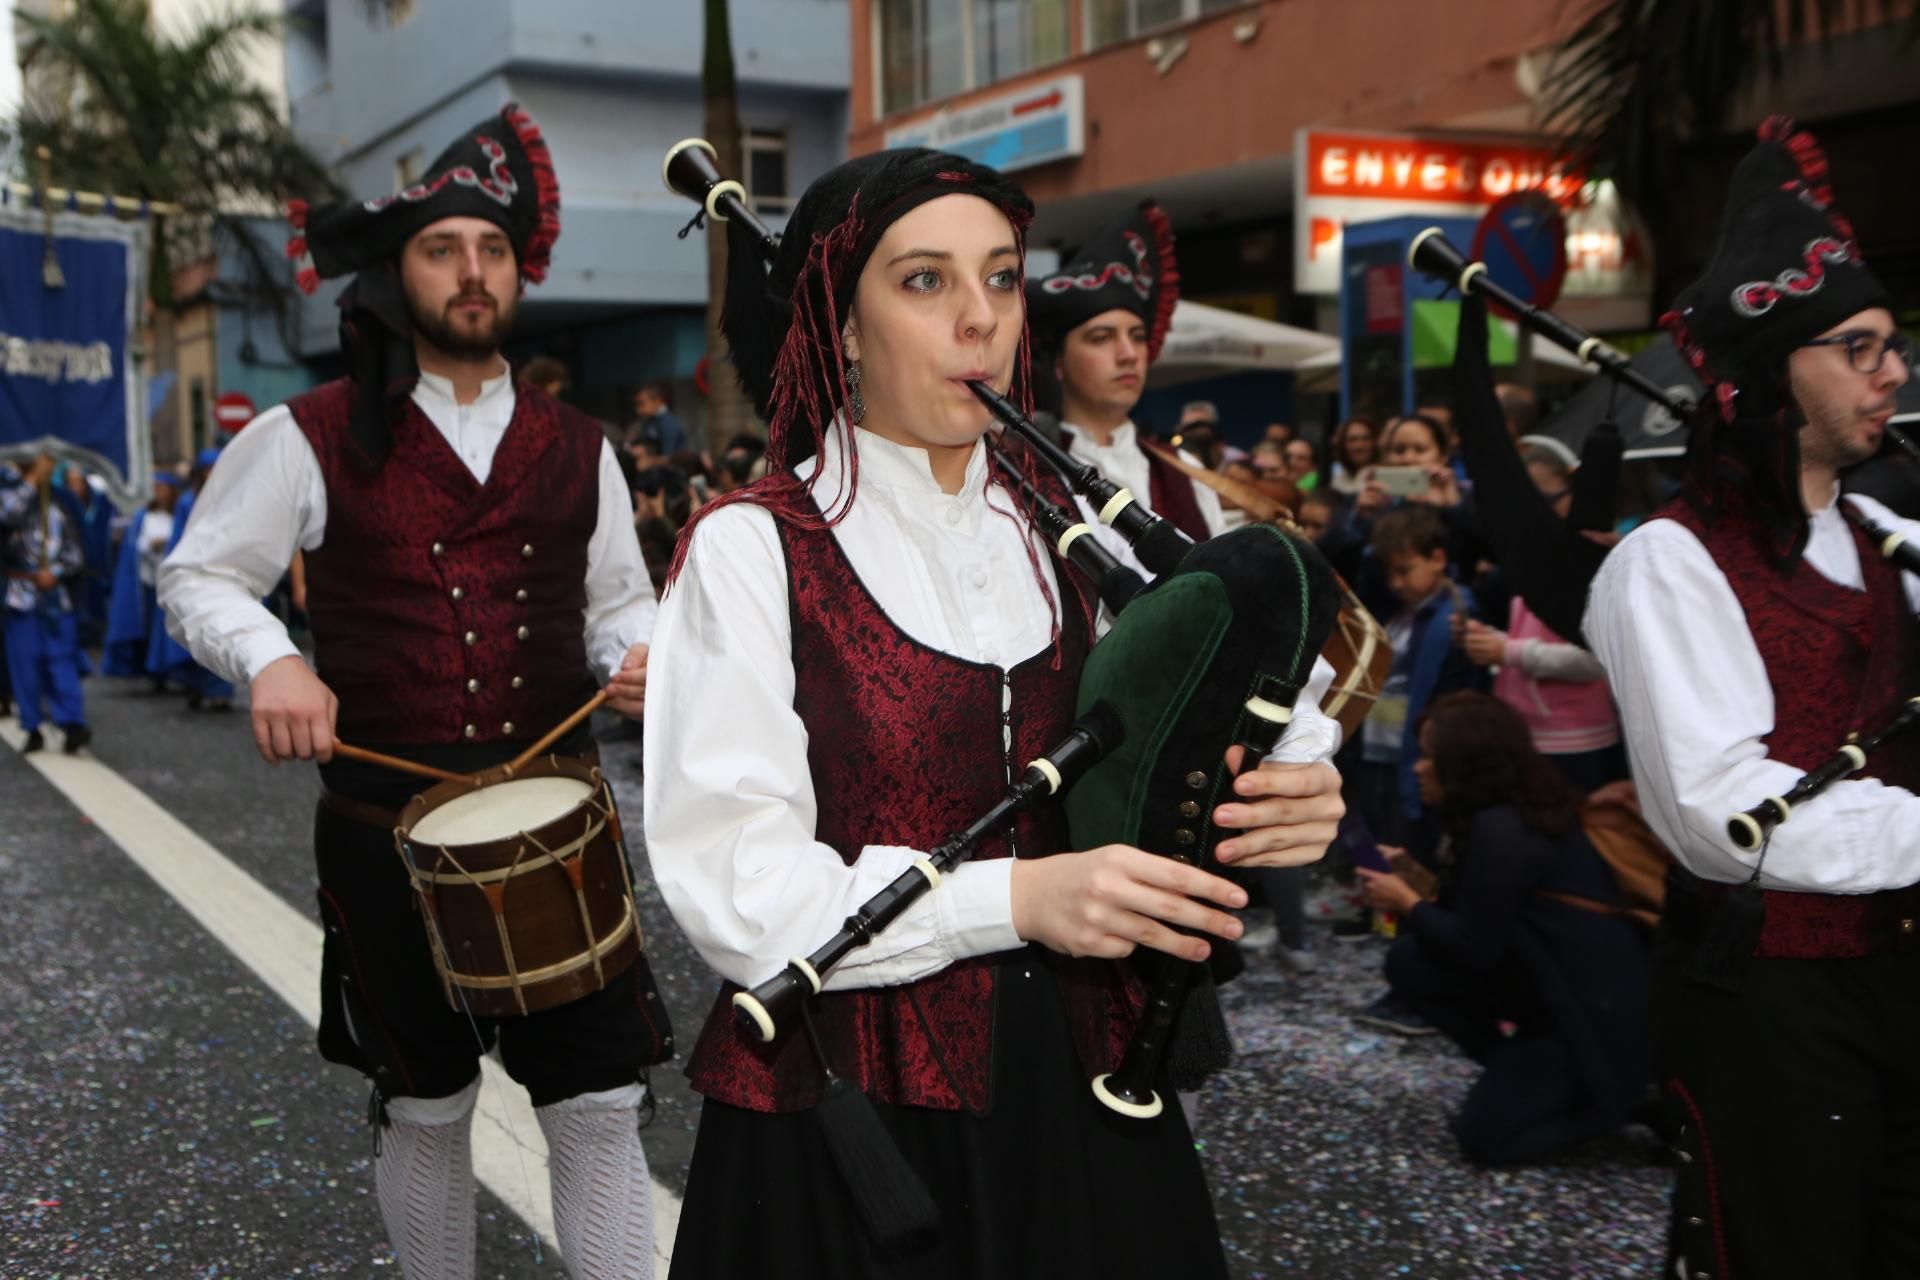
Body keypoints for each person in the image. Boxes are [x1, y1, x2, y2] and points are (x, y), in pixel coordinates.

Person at [644, 150, 1346, 1280]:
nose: (981, 320)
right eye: (926, 281)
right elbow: (737, 885)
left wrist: (1296, 788)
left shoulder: (1074, 523)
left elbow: (1268, 694)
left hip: (1079, 1089)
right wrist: (1016, 896)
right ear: (847, 326)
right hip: (853, 1109)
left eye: (1004, 278)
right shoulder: (753, 546)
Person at [158, 103, 671, 1280]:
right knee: (427, 1103)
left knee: (597, 1102)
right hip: (384, 837)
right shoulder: (306, 433)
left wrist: (638, 657)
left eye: (491, 248)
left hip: (562, 825)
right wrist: (273, 656)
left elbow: (616, 604)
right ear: (399, 269)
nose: (472, 271)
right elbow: (197, 574)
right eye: (445, 248)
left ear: (517, 267)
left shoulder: (581, 443)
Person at [1583, 117, 1920, 1280]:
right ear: (1775, 373)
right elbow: (1722, 815)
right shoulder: (1667, 563)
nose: (1895, 372)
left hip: (1897, 978)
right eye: (1860, 347)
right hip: (1770, 1008)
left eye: (1893, 345)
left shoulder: (1884, 537)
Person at [1355, 693, 1650, 1163]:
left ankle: (1616, 1109)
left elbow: (1474, 946)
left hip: (1586, 1015)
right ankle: (1522, 1074)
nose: (1418, 768)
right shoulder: (1504, 816)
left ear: (1465, 765)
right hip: (1549, 990)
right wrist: (1414, 878)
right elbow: (1483, 912)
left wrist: (1406, 902)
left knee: (1489, 1142)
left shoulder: (1503, 828)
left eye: (1431, 756)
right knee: (1410, 963)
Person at [1027, 202, 1228, 547]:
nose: (1129, 354)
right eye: (1102, 338)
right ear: (1058, 361)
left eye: (1136, 336)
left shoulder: (1183, 470)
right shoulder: (1026, 469)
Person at [1456, 446, 1626, 792]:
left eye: (1547, 500)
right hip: (1525, 733)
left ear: (1573, 494)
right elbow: (1529, 634)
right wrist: (1485, 638)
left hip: (1579, 740)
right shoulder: (1532, 557)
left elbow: (1596, 660)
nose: (1536, 516)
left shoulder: (1596, 558)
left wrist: (1507, 652)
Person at [1354, 506, 1480, 848]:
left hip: (1416, 758)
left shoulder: (1455, 617)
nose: (1396, 583)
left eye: (1405, 571)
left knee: (1409, 847)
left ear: (1437, 558)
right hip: (1380, 749)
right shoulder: (1398, 609)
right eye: (1389, 573)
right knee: (1377, 842)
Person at [1, 454, 92, 754]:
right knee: (25, 667)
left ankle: (72, 724)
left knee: (61, 663)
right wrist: (30, 480)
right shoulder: (9, 495)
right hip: (20, 600)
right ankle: (32, 726)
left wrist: (54, 573)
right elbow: (7, 517)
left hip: (56, 601)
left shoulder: (60, 504)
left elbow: (76, 553)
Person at [103, 471, 180, 680]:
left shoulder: (177, 515)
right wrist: (154, 544)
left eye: (163, 489)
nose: (160, 493)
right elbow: (137, 546)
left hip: (172, 580)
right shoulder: (145, 516)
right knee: (150, 628)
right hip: (150, 579)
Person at [630, 380, 689, 458]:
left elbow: (669, 456)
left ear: (657, 401)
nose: (638, 410)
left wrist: (649, 459)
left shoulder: (668, 423)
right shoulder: (648, 422)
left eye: (642, 403)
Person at [1325, 417, 1377, 496]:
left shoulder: (1384, 476)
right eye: (1352, 440)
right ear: (1343, 445)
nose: (1359, 446)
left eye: (1366, 439)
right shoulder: (1337, 481)